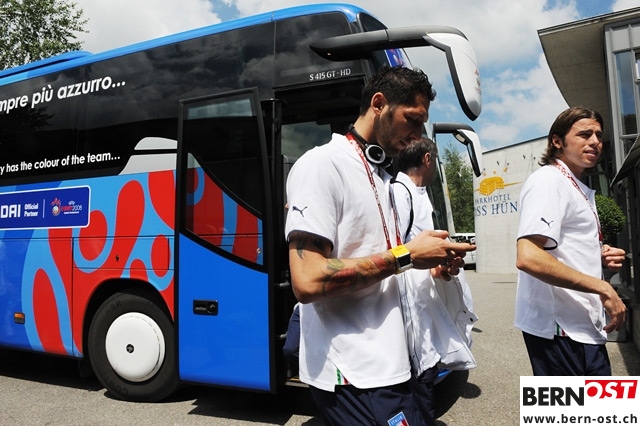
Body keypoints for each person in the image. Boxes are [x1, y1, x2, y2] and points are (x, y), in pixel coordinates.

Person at [285, 66, 475, 425]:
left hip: (398, 363)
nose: (417, 135)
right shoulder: (321, 165)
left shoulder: (382, 175)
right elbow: (307, 280)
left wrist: (429, 268)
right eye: (412, 120)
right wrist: (408, 255)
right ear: (378, 104)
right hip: (355, 372)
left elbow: (384, 262)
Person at [514, 106, 627, 376]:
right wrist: (603, 288)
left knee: (603, 403)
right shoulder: (548, 181)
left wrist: (598, 257)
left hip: (582, 327)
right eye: (584, 134)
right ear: (557, 141)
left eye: (598, 135)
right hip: (561, 330)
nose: (595, 142)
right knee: (576, 404)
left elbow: (562, 249)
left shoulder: (573, 185)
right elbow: (528, 256)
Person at [393, 138, 477, 424]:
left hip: (422, 306)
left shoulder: (417, 193)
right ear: (427, 160)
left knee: (424, 381)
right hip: (411, 315)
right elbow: (393, 253)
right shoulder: (399, 194)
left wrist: (436, 267)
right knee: (419, 385)